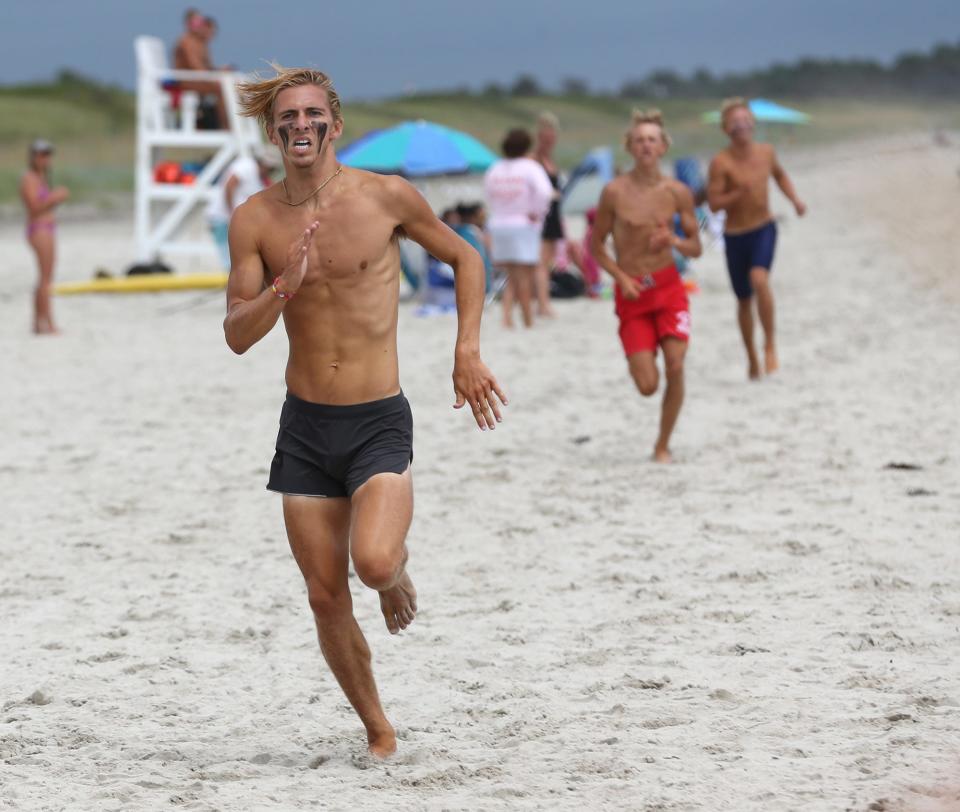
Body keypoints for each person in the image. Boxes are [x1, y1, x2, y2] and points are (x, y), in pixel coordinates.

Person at [225, 65, 506, 758]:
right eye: (286, 117)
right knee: (325, 597)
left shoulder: (385, 198)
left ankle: (395, 575)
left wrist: (465, 349)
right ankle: (378, 727)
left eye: (312, 114)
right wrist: (283, 287)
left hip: (377, 417)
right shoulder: (254, 220)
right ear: (271, 131)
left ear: (335, 124)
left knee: (374, 563)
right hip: (306, 425)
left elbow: (466, 259)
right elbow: (235, 332)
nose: (300, 126)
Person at [591, 111, 702, 463]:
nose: (646, 145)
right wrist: (621, 278)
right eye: (639, 140)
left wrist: (673, 240)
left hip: (668, 288)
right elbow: (595, 246)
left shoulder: (678, 192)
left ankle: (662, 444)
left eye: (652, 139)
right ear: (629, 147)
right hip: (632, 293)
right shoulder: (614, 192)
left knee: (676, 365)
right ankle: (643, 360)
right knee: (648, 385)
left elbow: (696, 247)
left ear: (663, 146)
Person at [707, 97, 807, 378]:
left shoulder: (766, 152)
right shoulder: (720, 162)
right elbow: (713, 203)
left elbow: (780, 176)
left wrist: (795, 200)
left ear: (752, 123)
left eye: (744, 120)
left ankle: (770, 345)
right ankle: (751, 353)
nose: (740, 125)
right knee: (742, 300)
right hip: (735, 235)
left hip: (764, 227)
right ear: (726, 129)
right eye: (734, 122)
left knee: (759, 279)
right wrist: (738, 193)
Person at [484, 128, 553, 328]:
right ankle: (527, 318)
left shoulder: (495, 168)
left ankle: (507, 316)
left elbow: (488, 194)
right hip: (523, 224)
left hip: (499, 224)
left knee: (512, 273)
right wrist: (537, 212)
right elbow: (544, 192)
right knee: (524, 273)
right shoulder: (530, 167)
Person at [19, 139, 68, 335]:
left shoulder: (41, 177)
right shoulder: (29, 178)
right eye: (41, 155)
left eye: (48, 155)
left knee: (44, 277)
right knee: (45, 279)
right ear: (33, 157)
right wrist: (55, 198)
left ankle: (39, 322)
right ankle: (47, 322)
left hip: (46, 227)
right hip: (39, 228)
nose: (45, 159)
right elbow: (34, 207)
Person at [206, 147, 279, 268]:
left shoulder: (263, 181)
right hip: (222, 218)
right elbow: (229, 186)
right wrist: (231, 214)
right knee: (227, 260)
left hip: (236, 223)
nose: (271, 171)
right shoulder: (247, 166)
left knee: (234, 260)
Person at [172, 8, 227, 128]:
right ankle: (227, 127)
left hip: (194, 79)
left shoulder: (199, 43)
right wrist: (215, 75)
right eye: (196, 23)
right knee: (221, 88)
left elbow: (205, 68)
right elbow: (196, 67)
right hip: (185, 81)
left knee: (227, 85)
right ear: (188, 24)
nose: (200, 26)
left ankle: (227, 125)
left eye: (201, 23)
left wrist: (218, 71)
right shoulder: (186, 41)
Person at [533, 112, 563, 318]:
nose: (549, 141)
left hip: (553, 214)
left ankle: (543, 301)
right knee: (541, 262)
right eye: (546, 138)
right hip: (542, 215)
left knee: (549, 261)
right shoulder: (534, 159)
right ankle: (542, 304)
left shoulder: (550, 160)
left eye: (552, 137)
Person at [454, 202, 494, 292]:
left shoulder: (472, 232)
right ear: (472, 217)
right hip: (477, 282)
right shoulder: (470, 233)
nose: (484, 219)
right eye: (482, 216)